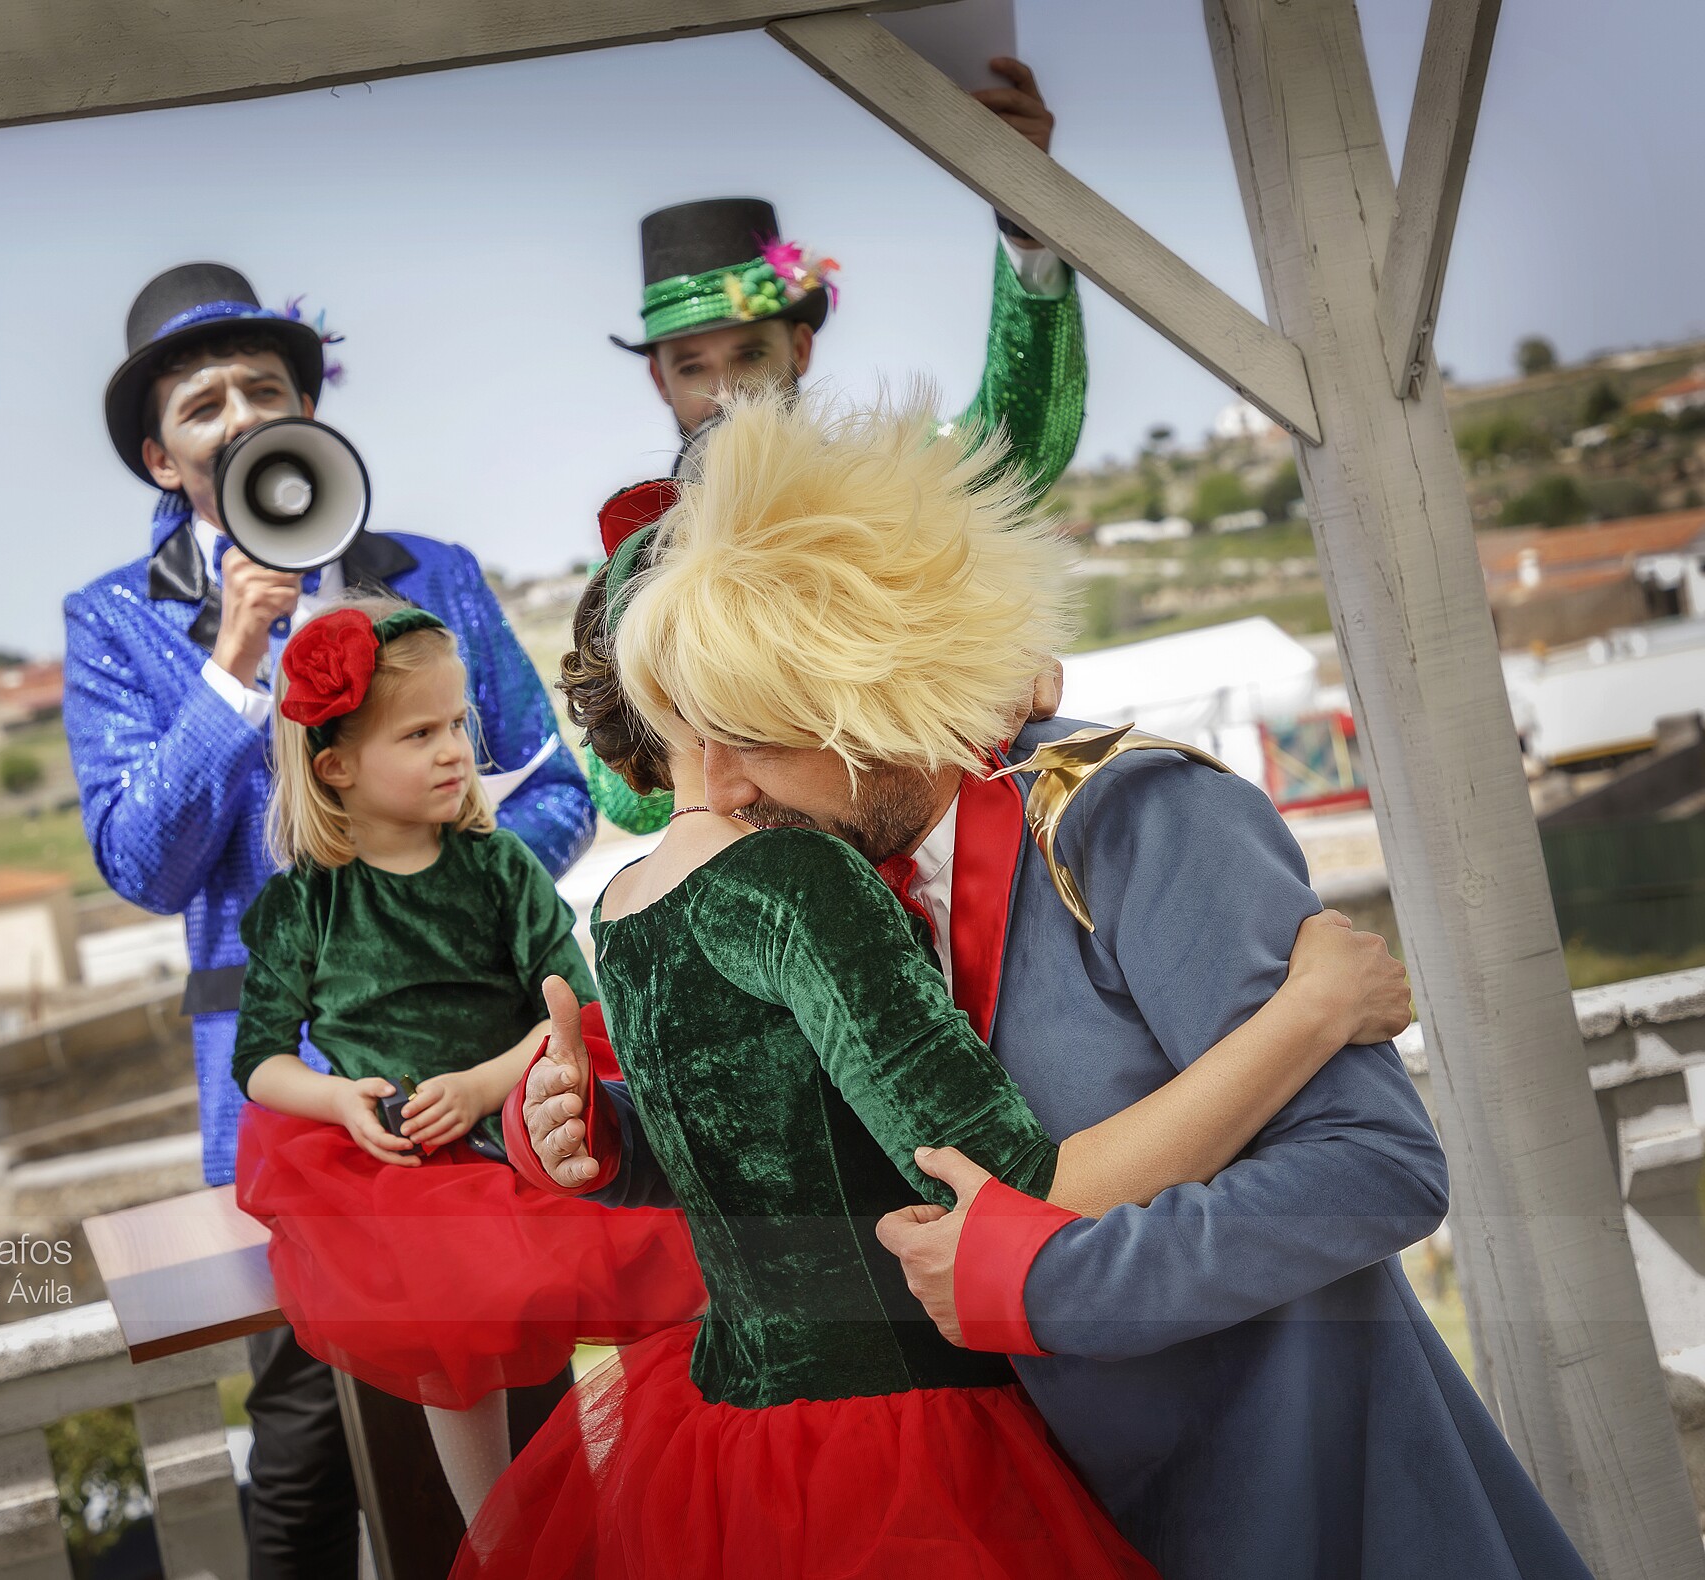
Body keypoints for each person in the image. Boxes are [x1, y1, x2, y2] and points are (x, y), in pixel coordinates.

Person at [518, 390, 1596, 1580]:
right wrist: (621, 1140)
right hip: (1032, 1509)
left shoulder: (1132, 816)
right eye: (693, 741)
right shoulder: (820, 879)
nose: (717, 791)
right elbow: (873, 1149)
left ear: (864, 696)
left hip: (1285, 1500)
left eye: (752, 739)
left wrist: (1040, 1280)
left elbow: (1374, 1166)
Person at [62, 263, 594, 1575]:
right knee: (303, 1439)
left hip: (470, 1072)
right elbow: (143, 861)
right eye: (204, 406)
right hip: (286, 1093)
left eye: (265, 389)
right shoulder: (116, 625)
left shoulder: (437, 573)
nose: (240, 417)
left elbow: (561, 792)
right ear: (161, 454)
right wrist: (231, 667)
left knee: (523, 1403)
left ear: (310, 407)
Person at [229, 598, 704, 1524]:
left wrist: (490, 1083)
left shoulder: (499, 869)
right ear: (336, 767)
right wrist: (336, 1101)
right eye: (419, 734)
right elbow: (259, 1061)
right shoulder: (303, 908)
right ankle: (500, 1535)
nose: (453, 749)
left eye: (457, 724)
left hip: (524, 1123)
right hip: (400, 1162)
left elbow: (573, 1004)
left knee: (659, 1257)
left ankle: (661, 1488)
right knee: (447, 1319)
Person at [584, 56, 1085, 833]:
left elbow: (1017, 437)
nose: (725, 392)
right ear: (659, 381)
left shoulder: (884, 481)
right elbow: (622, 797)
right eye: (693, 366)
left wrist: (1027, 214)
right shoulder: (629, 563)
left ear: (801, 349)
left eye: (749, 355)